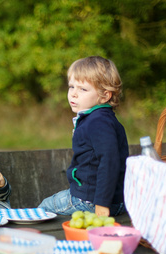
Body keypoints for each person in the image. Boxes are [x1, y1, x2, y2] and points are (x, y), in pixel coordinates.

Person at [38, 56, 128, 217]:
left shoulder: (98, 122)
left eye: (83, 89)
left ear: (105, 95)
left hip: (92, 200)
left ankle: (38, 240)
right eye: (71, 87)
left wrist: (101, 203)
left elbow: (109, 161)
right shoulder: (101, 118)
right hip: (113, 199)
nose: (73, 94)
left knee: (43, 208)